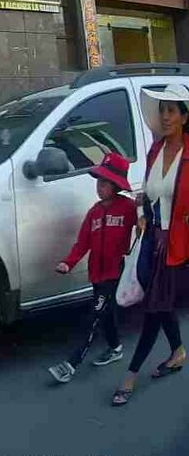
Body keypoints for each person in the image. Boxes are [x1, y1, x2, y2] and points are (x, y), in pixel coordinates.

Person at [112, 84, 189, 406]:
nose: (165, 116)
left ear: (185, 116)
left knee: (155, 309)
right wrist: (143, 214)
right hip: (152, 241)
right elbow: (146, 192)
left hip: (178, 246)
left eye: (172, 110)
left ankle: (129, 375)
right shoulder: (155, 150)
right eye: (162, 110)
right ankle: (179, 351)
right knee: (160, 301)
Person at [48, 153, 138, 383]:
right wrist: (68, 263)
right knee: (105, 315)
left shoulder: (127, 207)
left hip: (115, 273)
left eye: (106, 183)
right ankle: (116, 347)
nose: (100, 187)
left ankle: (71, 364)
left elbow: (143, 222)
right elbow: (82, 243)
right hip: (96, 275)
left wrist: (144, 204)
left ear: (116, 185)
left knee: (94, 317)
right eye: (99, 182)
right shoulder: (94, 213)